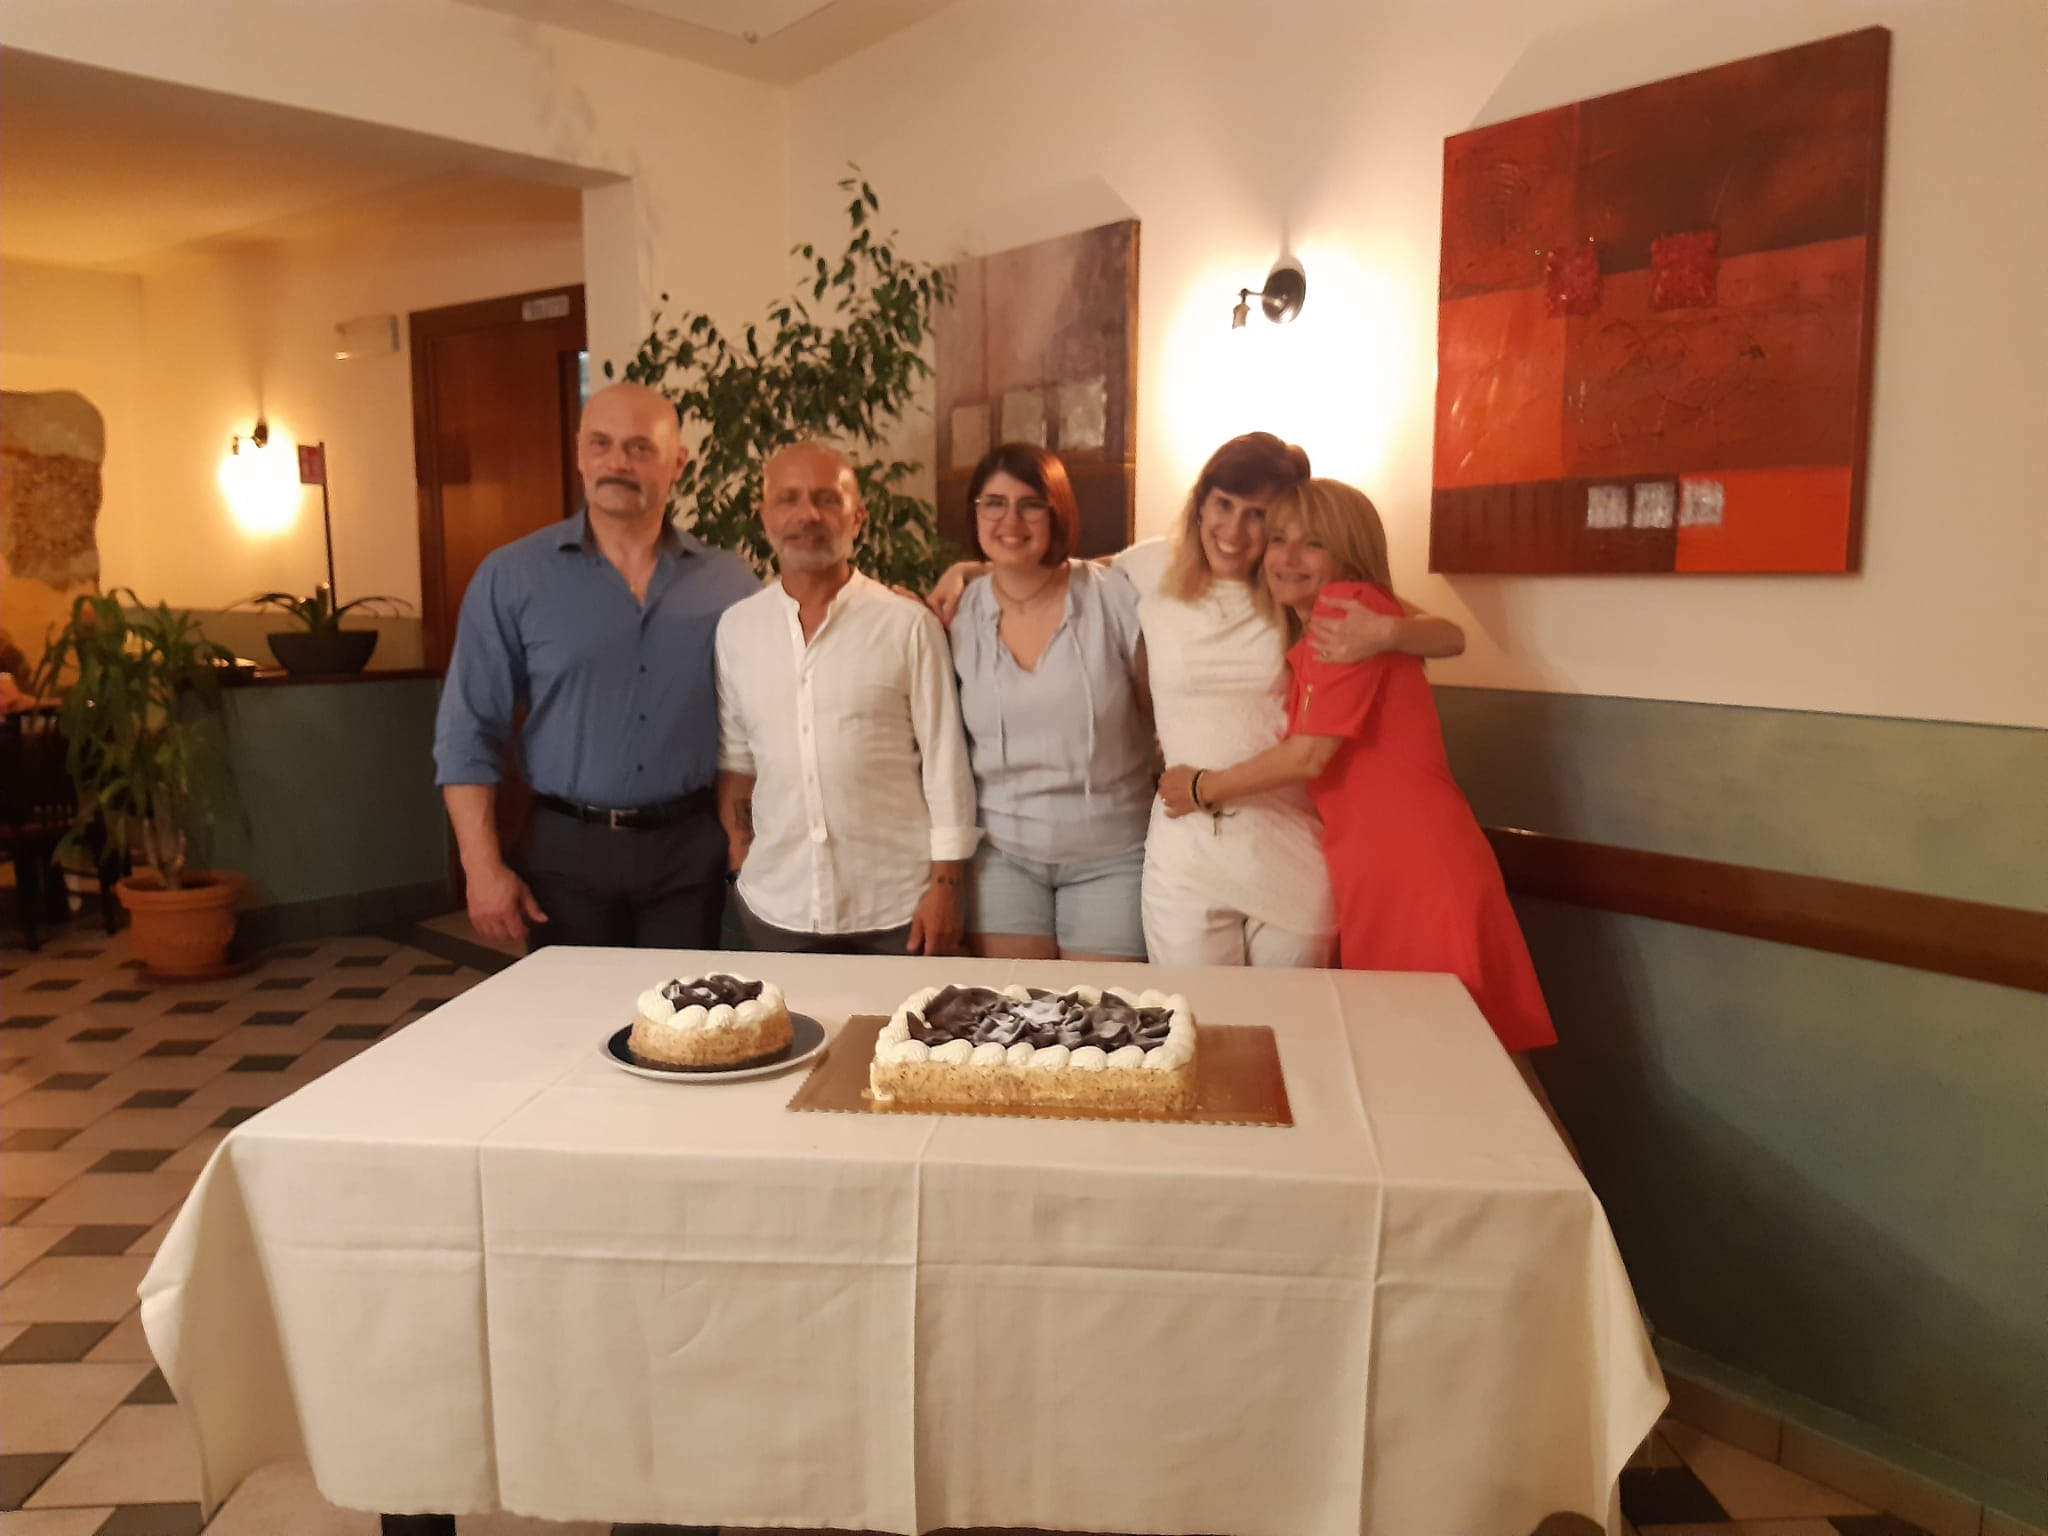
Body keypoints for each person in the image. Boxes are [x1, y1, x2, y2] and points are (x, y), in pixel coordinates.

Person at [931, 432, 1464, 968]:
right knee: (1192, 1010)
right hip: (1187, 848)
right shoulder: (1152, 567)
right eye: (1223, 505)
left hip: (1288, 844)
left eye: (1257, 515)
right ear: (1201, 504)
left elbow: (1449, 636)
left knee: (1292, 1015)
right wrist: (971, 571)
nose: (1233, 530)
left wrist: (1388, 632)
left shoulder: (1297, 589)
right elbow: (1057, 573)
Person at [1158, 478, 1556, 1056]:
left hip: (1415, 866)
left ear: (1348, 556)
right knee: (1448, 1059)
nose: (1288, 557)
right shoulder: (1347, 617)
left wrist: (1202, 786)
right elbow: (1448, 634)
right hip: (1381, 865)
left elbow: (1310, 754)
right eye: (1279, 540)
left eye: (1313, 544)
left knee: (1469, 1060)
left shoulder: (1347, 611)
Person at [433, 381, 760, 951]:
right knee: (571, 1010)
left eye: (640, 447)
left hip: (689, 855)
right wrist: (481, 867)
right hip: (565, 854)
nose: (618, 463)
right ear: (580, 453)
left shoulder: (730, 584)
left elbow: (767, 717)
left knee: (686, 1008)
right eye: (601, 444)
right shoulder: (512, 577)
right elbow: (468, 734)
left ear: (678, 463)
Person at [714, 442, 979, 955]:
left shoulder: (907, 625)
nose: (807, 515)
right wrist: (742, 859)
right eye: (788, 499)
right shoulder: (737, 629)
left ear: (857, 519)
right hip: (775, 906)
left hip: (899, 908)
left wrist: (946, 888)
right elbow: (738, 761)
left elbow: (945, 764)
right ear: (764, 516)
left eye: (827, 499)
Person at [949, 444, 1153, 961]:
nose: (1010, 521)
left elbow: (1158, 717)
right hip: (1002, 857)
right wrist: (966, 572)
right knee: (1013, 1007)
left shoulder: (1112, 596)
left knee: (1104, 1009)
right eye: (994, 503)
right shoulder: (956, 614)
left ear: (1057, 511)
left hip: (1113, 855)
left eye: (1031, 505)